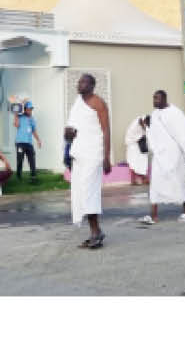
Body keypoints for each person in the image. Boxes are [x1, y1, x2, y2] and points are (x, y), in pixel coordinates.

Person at [64, 74, 112, 247]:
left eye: (84, 82)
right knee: (81, 193)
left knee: (89, 192)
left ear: (92, 85)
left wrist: (107, 157)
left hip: (94, 154)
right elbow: (70, 129)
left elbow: (106, 131)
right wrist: (68, 133)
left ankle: (95, 233)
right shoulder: (77, 103)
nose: (79, 84)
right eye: (79, 82)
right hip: (79, 154)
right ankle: (96, 231)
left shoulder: (99, 103)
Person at [144, 90, 185, 224]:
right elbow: (154, 134)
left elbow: (184, 135)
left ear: (165, 99)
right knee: (155, 183)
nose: (154, 101)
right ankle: (153, 215)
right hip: (159, 156)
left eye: (157, 98)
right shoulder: (154, 114)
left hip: (174, 154)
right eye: (153, 98)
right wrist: (148, 127)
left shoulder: (175, 113)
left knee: (180, 182)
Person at [14, 101, 42, 182]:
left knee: (32, 159)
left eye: (31, 109)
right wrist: (16, 114)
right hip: (20, 143)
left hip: (29, 143)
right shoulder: (20, 116)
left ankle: (33, 176)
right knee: (20, 160)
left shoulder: (32, 119)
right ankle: (18, 176)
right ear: (25, 109)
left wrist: (38, 140)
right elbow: (16, 125)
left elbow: (34, 131)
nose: (30, 111)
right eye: (29, 109)